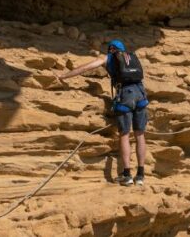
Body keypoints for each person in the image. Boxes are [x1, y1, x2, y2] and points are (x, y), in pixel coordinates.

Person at [58, 39, 148, 186]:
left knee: (124, 134)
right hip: (141, 93)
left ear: (111, 49)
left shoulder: (108, 58)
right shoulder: (130, 57)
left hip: (125, 95)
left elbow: (86, 67)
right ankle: (140, 175)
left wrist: (64, 76)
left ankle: (127, 175)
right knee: (140, 134)